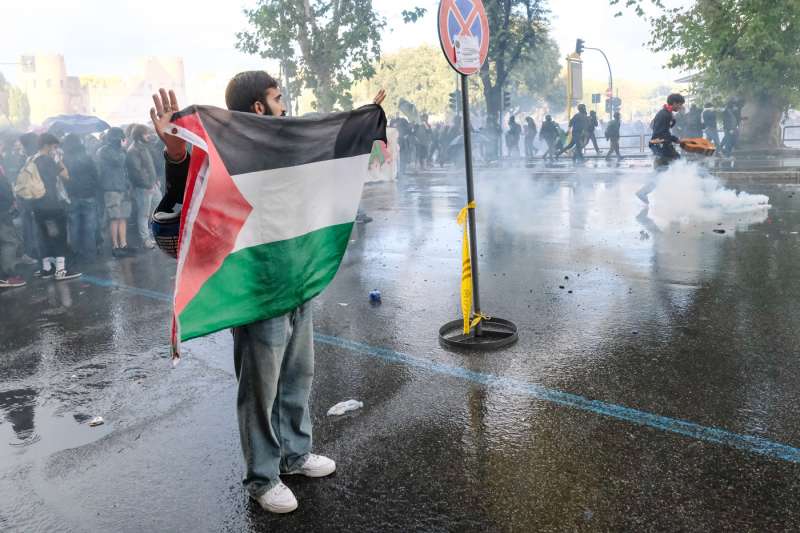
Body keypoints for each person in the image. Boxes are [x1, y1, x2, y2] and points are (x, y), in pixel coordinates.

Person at [149, 75, 387, 514]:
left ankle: (295, 456)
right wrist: (178, 152)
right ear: (258, 108)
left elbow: (322, 139)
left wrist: (361, 120)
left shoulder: (288, 143)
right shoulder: (228, 149)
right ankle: (263, 477)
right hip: (257, 288)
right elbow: (190, 196)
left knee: (298, 377)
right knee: (261, 389)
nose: (285, 105)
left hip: (296, 280)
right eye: (278, 98)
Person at [29, 134, 81, 280]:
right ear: (47, 145)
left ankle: (46, 268)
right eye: (54, 146)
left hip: (36, 205)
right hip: (51, 204)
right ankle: (61, 270)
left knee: (43, 236)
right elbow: (66, 176)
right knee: (59, 236)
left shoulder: (31, 159)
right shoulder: (48, 160)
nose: (56, 149)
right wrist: (59, 161)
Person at [639, 93, 685, 203]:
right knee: (679, 166)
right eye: (679, 104)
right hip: (662, 147)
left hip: (661, 146)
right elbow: (660, 133)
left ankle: (645, 192)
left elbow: (656, 127)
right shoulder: (665, 114)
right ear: (674, 103)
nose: (681, 107)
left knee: (663, 173)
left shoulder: (665, 113)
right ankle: (679, 195)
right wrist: (675, 139)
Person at [62, 134, 100, 263]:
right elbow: (95, 174)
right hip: (88, 195)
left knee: (74, 226)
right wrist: (93, 189)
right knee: (89, 226)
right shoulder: (87, 157)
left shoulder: (64, 159)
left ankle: (76, 253)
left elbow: (63, 179)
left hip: (72, 196)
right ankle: (90, 254)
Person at [97, 128, 133, 256]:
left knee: (123, 217)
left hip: (122, 187)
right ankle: (115, 246)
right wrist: (123, 149)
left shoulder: (116, 150)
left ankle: (123, 244)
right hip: (111, 188)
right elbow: (119, 161)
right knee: (114, 218)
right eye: (121, 138)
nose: (123, 140)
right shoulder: (105, 151)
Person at [126, 124, 160, 249]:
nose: (148, 135)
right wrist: (148, 185)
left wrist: (155, 180)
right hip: (143, 188)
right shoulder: (133, 150)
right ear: (139, 135)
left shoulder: (144, 147)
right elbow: (137, 172)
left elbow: (150, 166)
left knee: (156, 206)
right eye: (146, 133)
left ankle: (150, 233)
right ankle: (145, 239)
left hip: (151, 184)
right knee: (144, 213)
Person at [0, 166, 25, 288]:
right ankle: (7, 276)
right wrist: (10, 203)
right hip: (2, 213)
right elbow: (5, 193)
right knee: (9, 242)